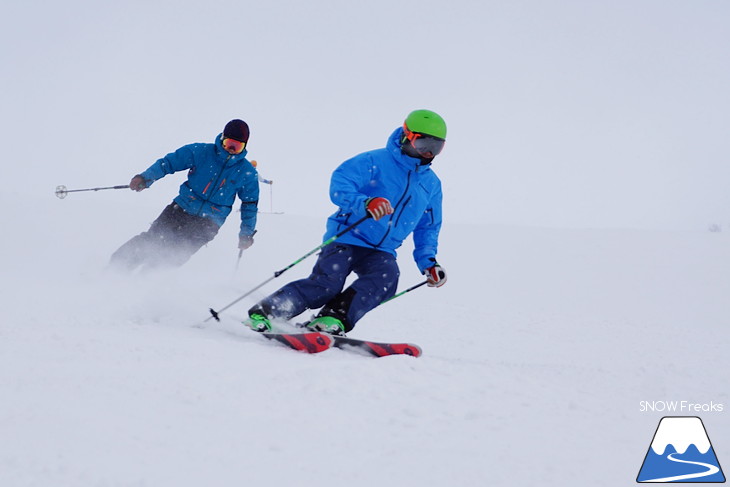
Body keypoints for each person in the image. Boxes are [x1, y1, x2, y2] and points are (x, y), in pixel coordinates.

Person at [244, 109, 448, 335]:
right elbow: (340, 183)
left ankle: (332, 318)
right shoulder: (375, 161)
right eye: (423, 144)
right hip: (348, 236)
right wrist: (365, 203)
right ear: (406, 135)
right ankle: (267, 311)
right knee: (326, 285)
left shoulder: (431, 185)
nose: (429, 153)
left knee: (386, 279)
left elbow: (428, 226)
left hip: (382, 250)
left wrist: (428, 261)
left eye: (436, 147)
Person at [110, 119, 259, 271]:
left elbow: (250, 205)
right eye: (229, 144)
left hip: (209, 222)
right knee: (152, 241)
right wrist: (145, 178)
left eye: (237, 147)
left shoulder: (247, 173)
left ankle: (143, 283)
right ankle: (115, 268)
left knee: (174, 255)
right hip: (181, 208)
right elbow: (168, 163)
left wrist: (246, 234)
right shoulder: (201, 152)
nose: (231, 150)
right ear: (222, 139)